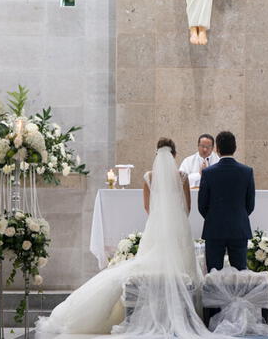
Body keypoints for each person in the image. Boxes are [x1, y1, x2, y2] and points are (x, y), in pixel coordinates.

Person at [36, 138, 221, 338]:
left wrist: (160, 220)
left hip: (155, 228)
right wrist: (174, 221)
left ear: (156, 155)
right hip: (179, 230)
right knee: (184, 268)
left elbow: (148, 208)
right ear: (174, 155)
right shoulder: (182, 176)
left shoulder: (149, 177)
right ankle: (187, 314)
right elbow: (187, 208)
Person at [198, 131, 255, 272]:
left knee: (213, 274)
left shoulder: (208, 173)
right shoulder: (247, 171)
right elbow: (250, 204)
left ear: (216, 149)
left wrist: (213, 217)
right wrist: (238, 216)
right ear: (235, 148)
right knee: (240, 274)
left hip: (214, 228)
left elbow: (202, 205)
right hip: (238, 227)